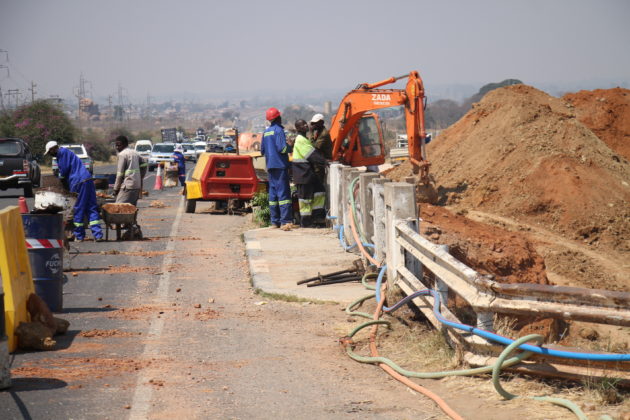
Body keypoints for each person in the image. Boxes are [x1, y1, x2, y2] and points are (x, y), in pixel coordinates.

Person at [45, 140, 103, 242]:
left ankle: (79, 235)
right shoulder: (67, 152)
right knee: (91, 207)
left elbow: (64, 171)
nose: (50, 155)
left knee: (78, 208)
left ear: (53, 149)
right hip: (88, 179)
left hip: (78, 182)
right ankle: (98, 235)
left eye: (49, 152)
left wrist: (60, 178)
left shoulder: (61, 154)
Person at [261, 107, 296, 231]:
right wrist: (290, 147)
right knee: (283, 194)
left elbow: (262, 151)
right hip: (280, 166)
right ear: (278, 118)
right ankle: (285, 221)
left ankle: (274, 221)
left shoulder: (266, 132)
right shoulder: (278, 131)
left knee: (273, 194)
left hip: (270, 166)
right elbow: (282, 149)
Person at [292, 120, 327, 227]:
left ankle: (318, 218)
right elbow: (311, 154)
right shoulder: (300, 140)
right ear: (298, 129)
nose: (306, 125)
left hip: (308, 174)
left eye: (305, 123)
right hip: (303, 175)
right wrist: (325, 162)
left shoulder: (304, 139)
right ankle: (306, 223)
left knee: (319, 191)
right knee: (305, 200)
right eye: (302, 125)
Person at [113, 135, 147, 206]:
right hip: (136, 186)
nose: (117, 147)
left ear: (125, 144)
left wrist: (116, 189)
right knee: (131, 208)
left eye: (119, 145)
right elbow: (144, 163)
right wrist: (140, 177)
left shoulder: (122, 154)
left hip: (127, 187)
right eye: (116, 146)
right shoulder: (135, 153)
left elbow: (119, 174)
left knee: (118, 207)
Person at [309, 113, 332, 185]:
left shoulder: (323, 134)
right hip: (319, 161)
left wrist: (311, 132)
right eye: (312, 123)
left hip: (321, 163)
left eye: (315, 123)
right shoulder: (319, 132)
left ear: (321, 123)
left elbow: (314, 147)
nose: (313, 125)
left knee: (319, 183)